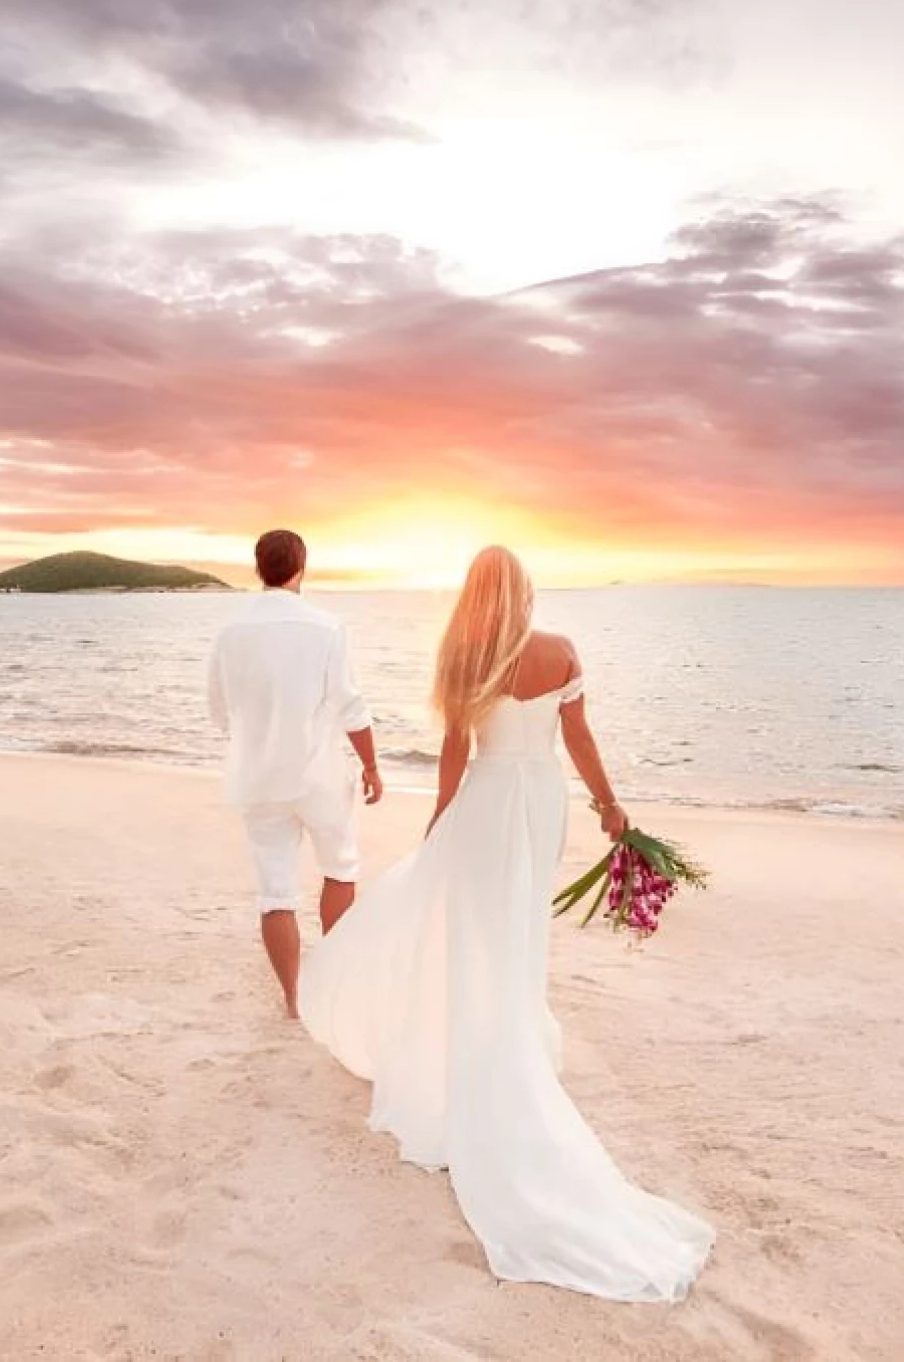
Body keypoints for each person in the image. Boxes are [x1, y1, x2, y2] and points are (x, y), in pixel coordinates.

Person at [298, 545, 713, 1302]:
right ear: (523, 590)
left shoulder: (464, 655)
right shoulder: (559, 651)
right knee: (520, 926)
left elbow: (456, 751)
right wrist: (610, 808)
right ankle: (511, 1034)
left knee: (475, 928)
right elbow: (579, 740)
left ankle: (487, 1038)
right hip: (537, 801)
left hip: (486, 802)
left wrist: (438, 826)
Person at [208, 529, 382, 1018]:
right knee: (341, 867)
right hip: (320, 775)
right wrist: (371, 766)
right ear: (301, 567)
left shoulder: (230, 632)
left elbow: (218, 710)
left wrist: (257, 739)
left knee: (275, 891)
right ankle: (335, 982)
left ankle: (292, 998)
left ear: (259, 567)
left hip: (259, 778)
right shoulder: (326, 628)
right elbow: (351, 706)